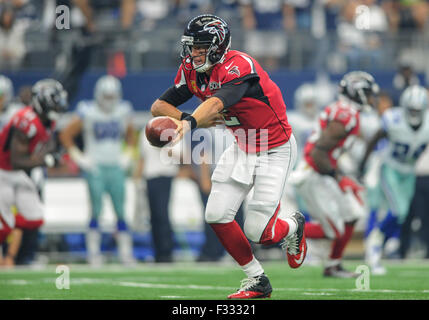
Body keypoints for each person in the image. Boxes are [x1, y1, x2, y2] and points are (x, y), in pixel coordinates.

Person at [150, 14, 306, 299]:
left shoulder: (239, 65)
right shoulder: (192, 70)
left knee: (259, 231)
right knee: (216, 214)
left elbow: (217, 102)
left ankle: (293, 226)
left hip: (274, 146)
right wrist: (186, 116)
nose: (194, 52)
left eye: (200, 46)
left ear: (218, 45)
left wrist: (189, 124)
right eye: (191, 46)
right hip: (243, 144)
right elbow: (159, 106)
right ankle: (257, 279)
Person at [290, 71, 380, 278]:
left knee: (353, 213)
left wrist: (341, 176)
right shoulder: (346, 115)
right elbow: (318, 153)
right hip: (313, 173)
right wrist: (340, 178)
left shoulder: (347, 111)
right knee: (333, 231)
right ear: (356, 92)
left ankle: (333, 265)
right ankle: (281, 229)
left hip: (321, 170)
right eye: (367, 92)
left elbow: (328, 153)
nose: (371, 97)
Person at [59, 75, 137, 266]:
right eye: (107, 96)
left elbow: (131, 135)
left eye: (112, 96)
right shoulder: (88, 111)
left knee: (121, 210)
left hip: (116, 166)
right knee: (96, 210)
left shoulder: (123, 110)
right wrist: (79, 157)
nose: (110, 100)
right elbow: (65, 134)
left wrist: (127, 155)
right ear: (99, 95)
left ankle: (125, 253)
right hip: (96, 167)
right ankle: (93, 253)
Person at [359, 85, 429, 274]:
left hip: (409, 172)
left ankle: (378, 239)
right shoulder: (393, 119)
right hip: (390, 168)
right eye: (412, 109)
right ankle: (375, 242)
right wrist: (362, 164)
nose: (414, 113)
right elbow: (374, 139)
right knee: (398, 210)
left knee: (403, 214)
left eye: (418, 110)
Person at [0, 79, 68, 263]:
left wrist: (54, 153)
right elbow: (16, 160)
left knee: (34, 217)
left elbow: (47, 143)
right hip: (4, 172)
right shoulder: (26, 121)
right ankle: (9, 255)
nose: (59, 104)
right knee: (6, 225)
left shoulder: (47, 119)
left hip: (17, 174)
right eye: (55, 100)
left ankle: (22, 256)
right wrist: (46, 160)